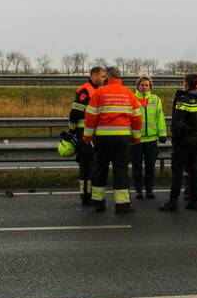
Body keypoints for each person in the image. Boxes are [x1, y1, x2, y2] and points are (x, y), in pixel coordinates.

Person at [83, 66, 142, 213]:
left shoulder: (99, 92)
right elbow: (137, 118)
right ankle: (122, 205)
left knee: (100, 169)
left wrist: (87, 136)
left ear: (108, 76)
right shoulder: (129, 94)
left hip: (103, 138)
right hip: (123, 139)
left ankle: (98, 203)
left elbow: (90, 116)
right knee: (121, 171)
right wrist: (136, 138)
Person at [159, 73, 197, 212]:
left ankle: (173, 202)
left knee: (178, 171)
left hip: (184, 140)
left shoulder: (184, 99)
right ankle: (195, 201)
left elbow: (177, 123)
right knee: (194, 171)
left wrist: (175, 137)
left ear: (186, 84)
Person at [68, 66, 107, 205]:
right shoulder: (86, 90)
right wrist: (71, 131)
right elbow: (75, 113)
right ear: (93, 75)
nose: (103, 79)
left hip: (95, 133)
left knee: (94, 166)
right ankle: (85, 196)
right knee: (86, 167)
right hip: (83, 132)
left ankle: (93, 196)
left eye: (104, 76)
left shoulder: (99, 90)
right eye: (102, 76)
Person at [132, 75, 167, 199]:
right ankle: (138, 190)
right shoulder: (132, 99)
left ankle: (149, 190)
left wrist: (162, 134)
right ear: (138, 86)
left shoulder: (155, 99)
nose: (144, 87)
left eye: (147, 85)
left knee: (150, 167)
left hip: (151, 140)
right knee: (136, 167)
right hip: (136, 139)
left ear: (150, 86)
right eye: (142, 85)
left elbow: (160, 118)